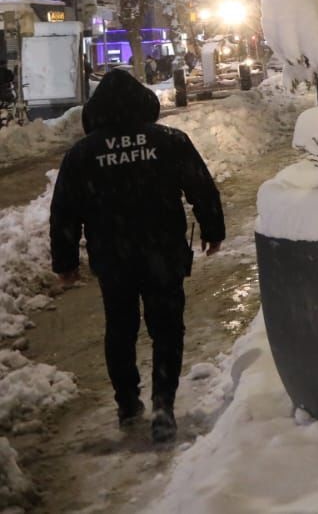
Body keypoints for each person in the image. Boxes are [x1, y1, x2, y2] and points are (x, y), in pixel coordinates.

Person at [49, 69, 224, 443]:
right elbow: (201, 188)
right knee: (166, 328)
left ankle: (128, 403)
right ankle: (164, 402)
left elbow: (64, 210)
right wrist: (213, 231)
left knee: (120, 329)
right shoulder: (170, 141)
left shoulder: (83, 153)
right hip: (163, 252)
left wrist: (65, 263)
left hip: (114, 259)